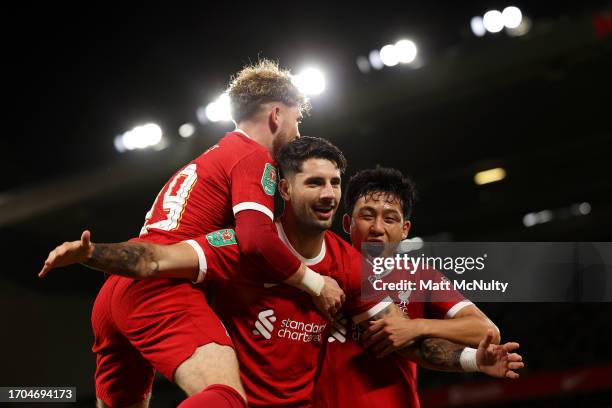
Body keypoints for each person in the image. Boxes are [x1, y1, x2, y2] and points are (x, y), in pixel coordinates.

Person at [42, 138, 523, 407]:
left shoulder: (351, 267)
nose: (330, 192)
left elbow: (407, 343)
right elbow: (154, 260)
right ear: (284, 191)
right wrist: (90, 255)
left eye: (335, 182)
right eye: (315, 182)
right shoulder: (241, 246)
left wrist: (467, 362)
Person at [40, 60, 345, 408]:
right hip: (161, 286)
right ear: (276, 115)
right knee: (225, 399)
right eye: (297, 120)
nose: (298, 132)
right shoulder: (253, 158)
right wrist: (316, 283)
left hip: (117, 288)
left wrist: (93, 254)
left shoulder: (205, 161)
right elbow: (256, 239)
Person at [313, 166, 507, 407]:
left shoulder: (419, 275)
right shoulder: (319, 268)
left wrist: (414, 327)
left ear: (405, 229)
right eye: (367, 215)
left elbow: (485, 330)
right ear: (346, 222)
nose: (378, 228)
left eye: (390, 218)